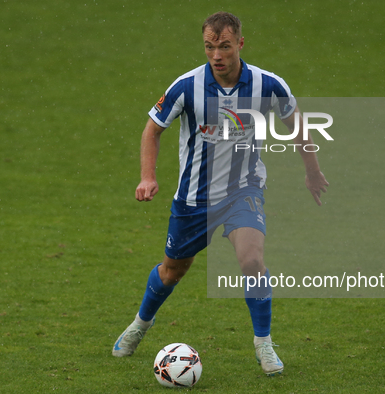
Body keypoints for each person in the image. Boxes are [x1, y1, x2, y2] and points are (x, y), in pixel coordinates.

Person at [112, 11, 328, 376]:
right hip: (194, 199)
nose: (217, 55)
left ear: (240, 44)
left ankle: (264, 344)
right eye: (210, 47)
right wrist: (147, 177)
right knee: (172, 271)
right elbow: (152, 130)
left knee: (251, 261)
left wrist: (312, 171)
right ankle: (140, 324)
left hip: (243, 191)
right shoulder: (186, 87)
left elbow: (298, 126)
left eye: (225, 46)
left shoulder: (268, 84)